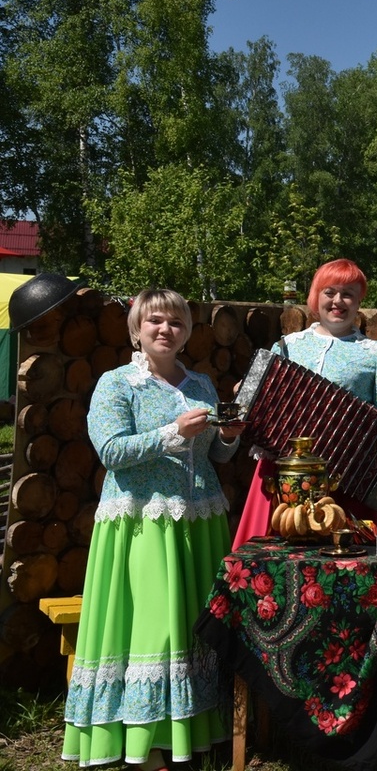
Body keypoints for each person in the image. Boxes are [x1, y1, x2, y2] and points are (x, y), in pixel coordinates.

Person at [63, 289, 245, 770]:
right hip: (142, 522)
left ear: (187, 331)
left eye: (176, 323)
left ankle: (195, 733)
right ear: (137, 329)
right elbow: (111, 451)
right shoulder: (116, 383)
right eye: (155, 322)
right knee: (154, 630)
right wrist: (173, 433)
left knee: (193, 630)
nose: (166, 330)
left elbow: (213, 456)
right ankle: (146, 748)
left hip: (200, 521)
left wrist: (226, 437)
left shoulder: (201, 384)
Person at [232, 258, 377, 548]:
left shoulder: (376, 353)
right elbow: (256, 409)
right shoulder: (287, 346)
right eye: (330, 292)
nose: (338, 301)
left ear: (359, 301)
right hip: (283, 477)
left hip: (347, 483)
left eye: (348, 294)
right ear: (316, 296)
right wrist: (247, 394)